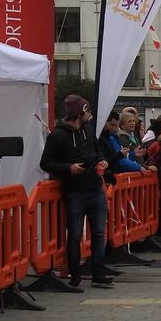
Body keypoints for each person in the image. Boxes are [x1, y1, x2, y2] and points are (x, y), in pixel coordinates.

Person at [39, 95, 114, 291]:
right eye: (87, 111)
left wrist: (102, 160)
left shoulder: (88, 130)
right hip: (74, 191)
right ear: (80, 113)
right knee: (74, 235)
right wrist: (68, 168)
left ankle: (98, 273)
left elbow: (97, 150)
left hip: (94, 187)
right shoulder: (57, 136)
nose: (90, 115)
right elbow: (45, 163)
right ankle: (75, 275)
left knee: (98, 232)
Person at [99, 111, 144, 175]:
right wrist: (139, 167)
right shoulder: (107, 139)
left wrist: (133, 154)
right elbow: (120, 160)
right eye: (111, 125)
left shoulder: (114, 137)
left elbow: (123, 157)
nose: (113, 128)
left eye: (116, 125)